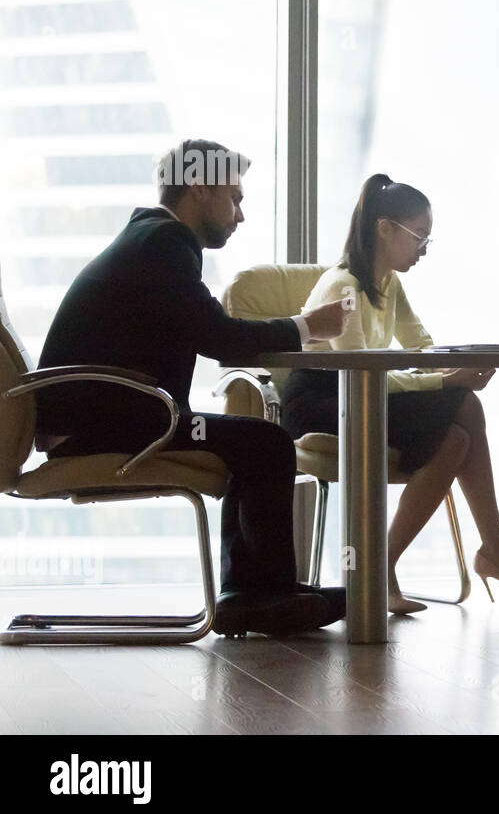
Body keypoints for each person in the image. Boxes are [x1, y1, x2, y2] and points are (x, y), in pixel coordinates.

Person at [36, 139, 350, 637]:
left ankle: (254, 592)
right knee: (265, 441)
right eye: (235, 197)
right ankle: (264, 596)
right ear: (200, 188)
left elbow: (211, 331)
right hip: (111, 424)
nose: (240, 215)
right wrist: (307, 325)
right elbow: (219, 337)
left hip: (109, 416)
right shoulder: (164, 243)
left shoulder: (150, 238)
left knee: (251, 439)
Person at [282, 173, 499, 614]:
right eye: (419, 236)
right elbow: (362, 374)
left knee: (459, 432)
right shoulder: (345, 287)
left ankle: (417, 560)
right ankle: (491, 552)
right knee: (463, 404)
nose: (424, 248)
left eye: (429, 239)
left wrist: (463, 359)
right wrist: (446, 381)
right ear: (384, 228)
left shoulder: (389, 283)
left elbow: (420, 348)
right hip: (324, 400)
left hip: (365, 394)